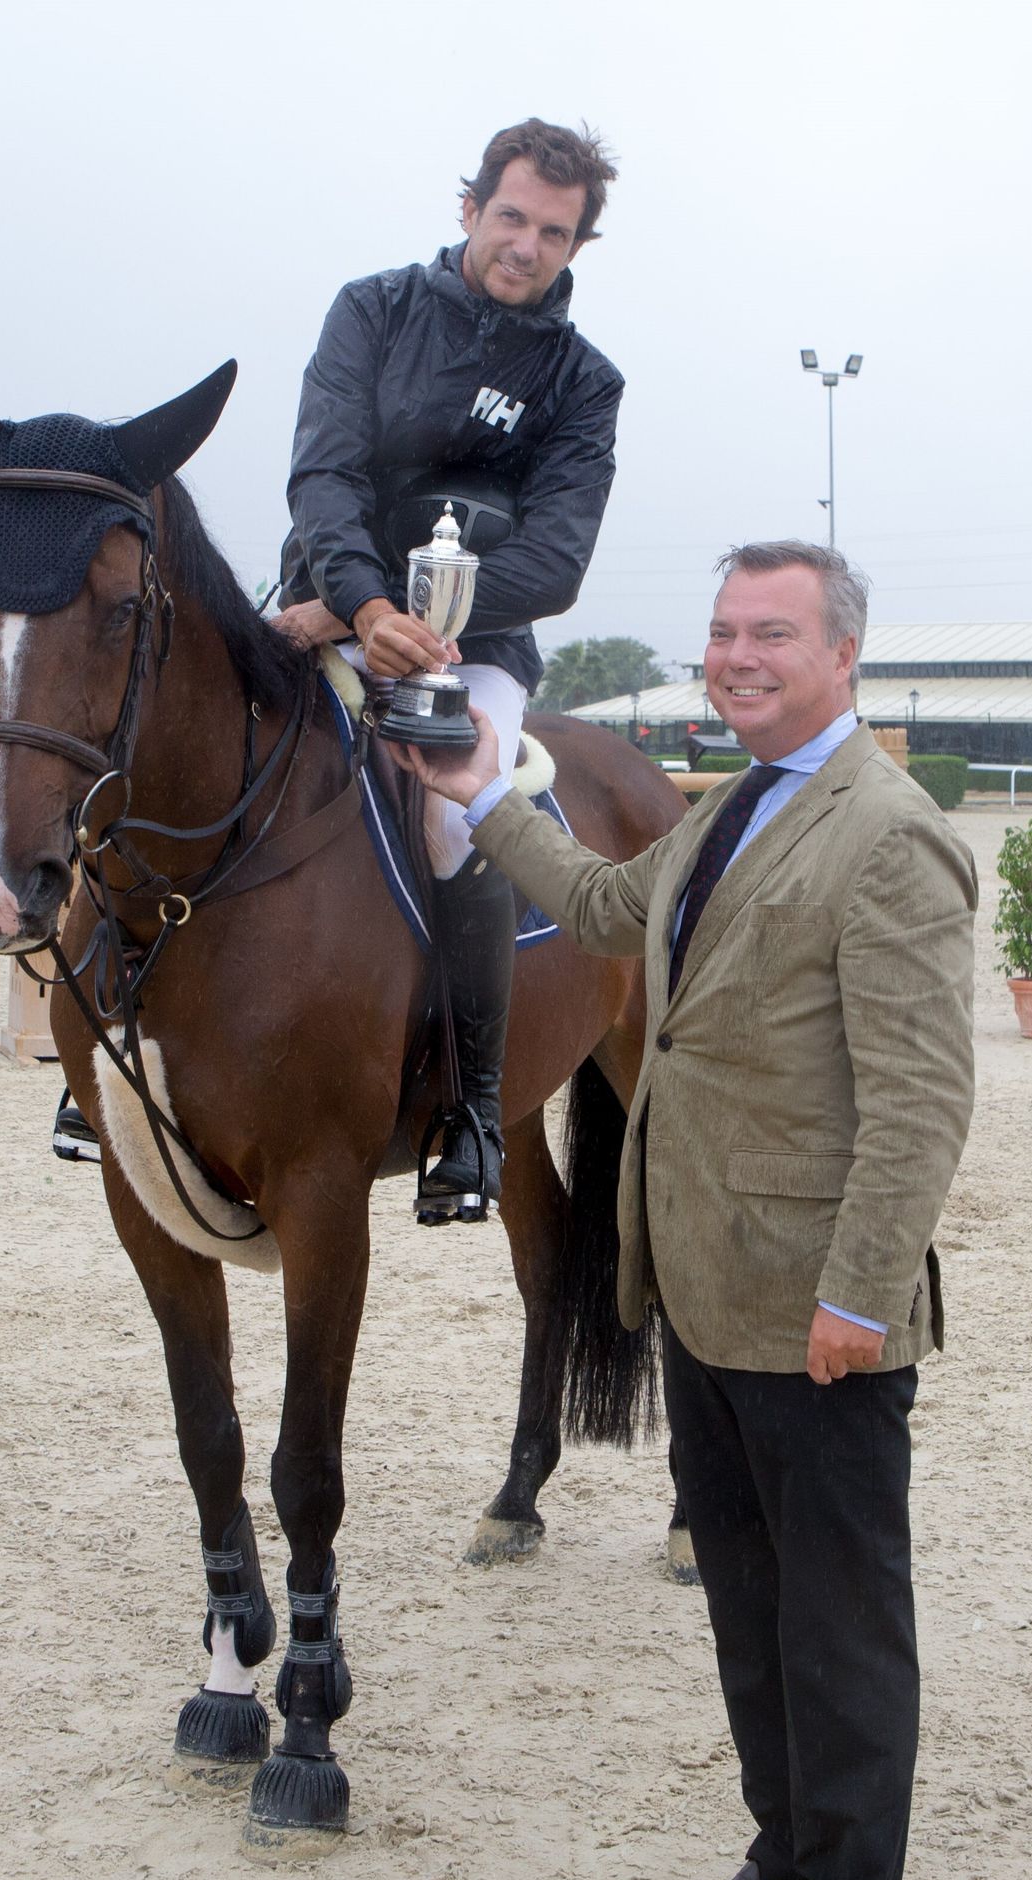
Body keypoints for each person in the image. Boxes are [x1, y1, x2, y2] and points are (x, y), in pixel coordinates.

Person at [391, 541, 976, 1880]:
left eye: (771, 630)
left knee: (841, 1634)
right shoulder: (731, 811)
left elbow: (920, 1104)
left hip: (816, 1310)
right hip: (702, 1295)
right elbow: (604, 904)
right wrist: (482, 796)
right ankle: (784, 1855)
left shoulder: (888, 834)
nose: (737, 654)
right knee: (757, 1622)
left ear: (841, 655)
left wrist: (860, 1295)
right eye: (722, 630)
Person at [271, 116, 624, 1222]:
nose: (526, 244)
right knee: (185, 737)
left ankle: (471, 1111)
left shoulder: (584, 382)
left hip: (475, 646)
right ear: (469, 208)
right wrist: (356, 606)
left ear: (576, 248)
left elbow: (556, 559)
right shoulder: (369, 311)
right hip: (323, 606)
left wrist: (416, 616)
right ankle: (109, 1040)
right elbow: (323, 475)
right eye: (511, 216)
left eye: (554, 232)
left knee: (453, 819)